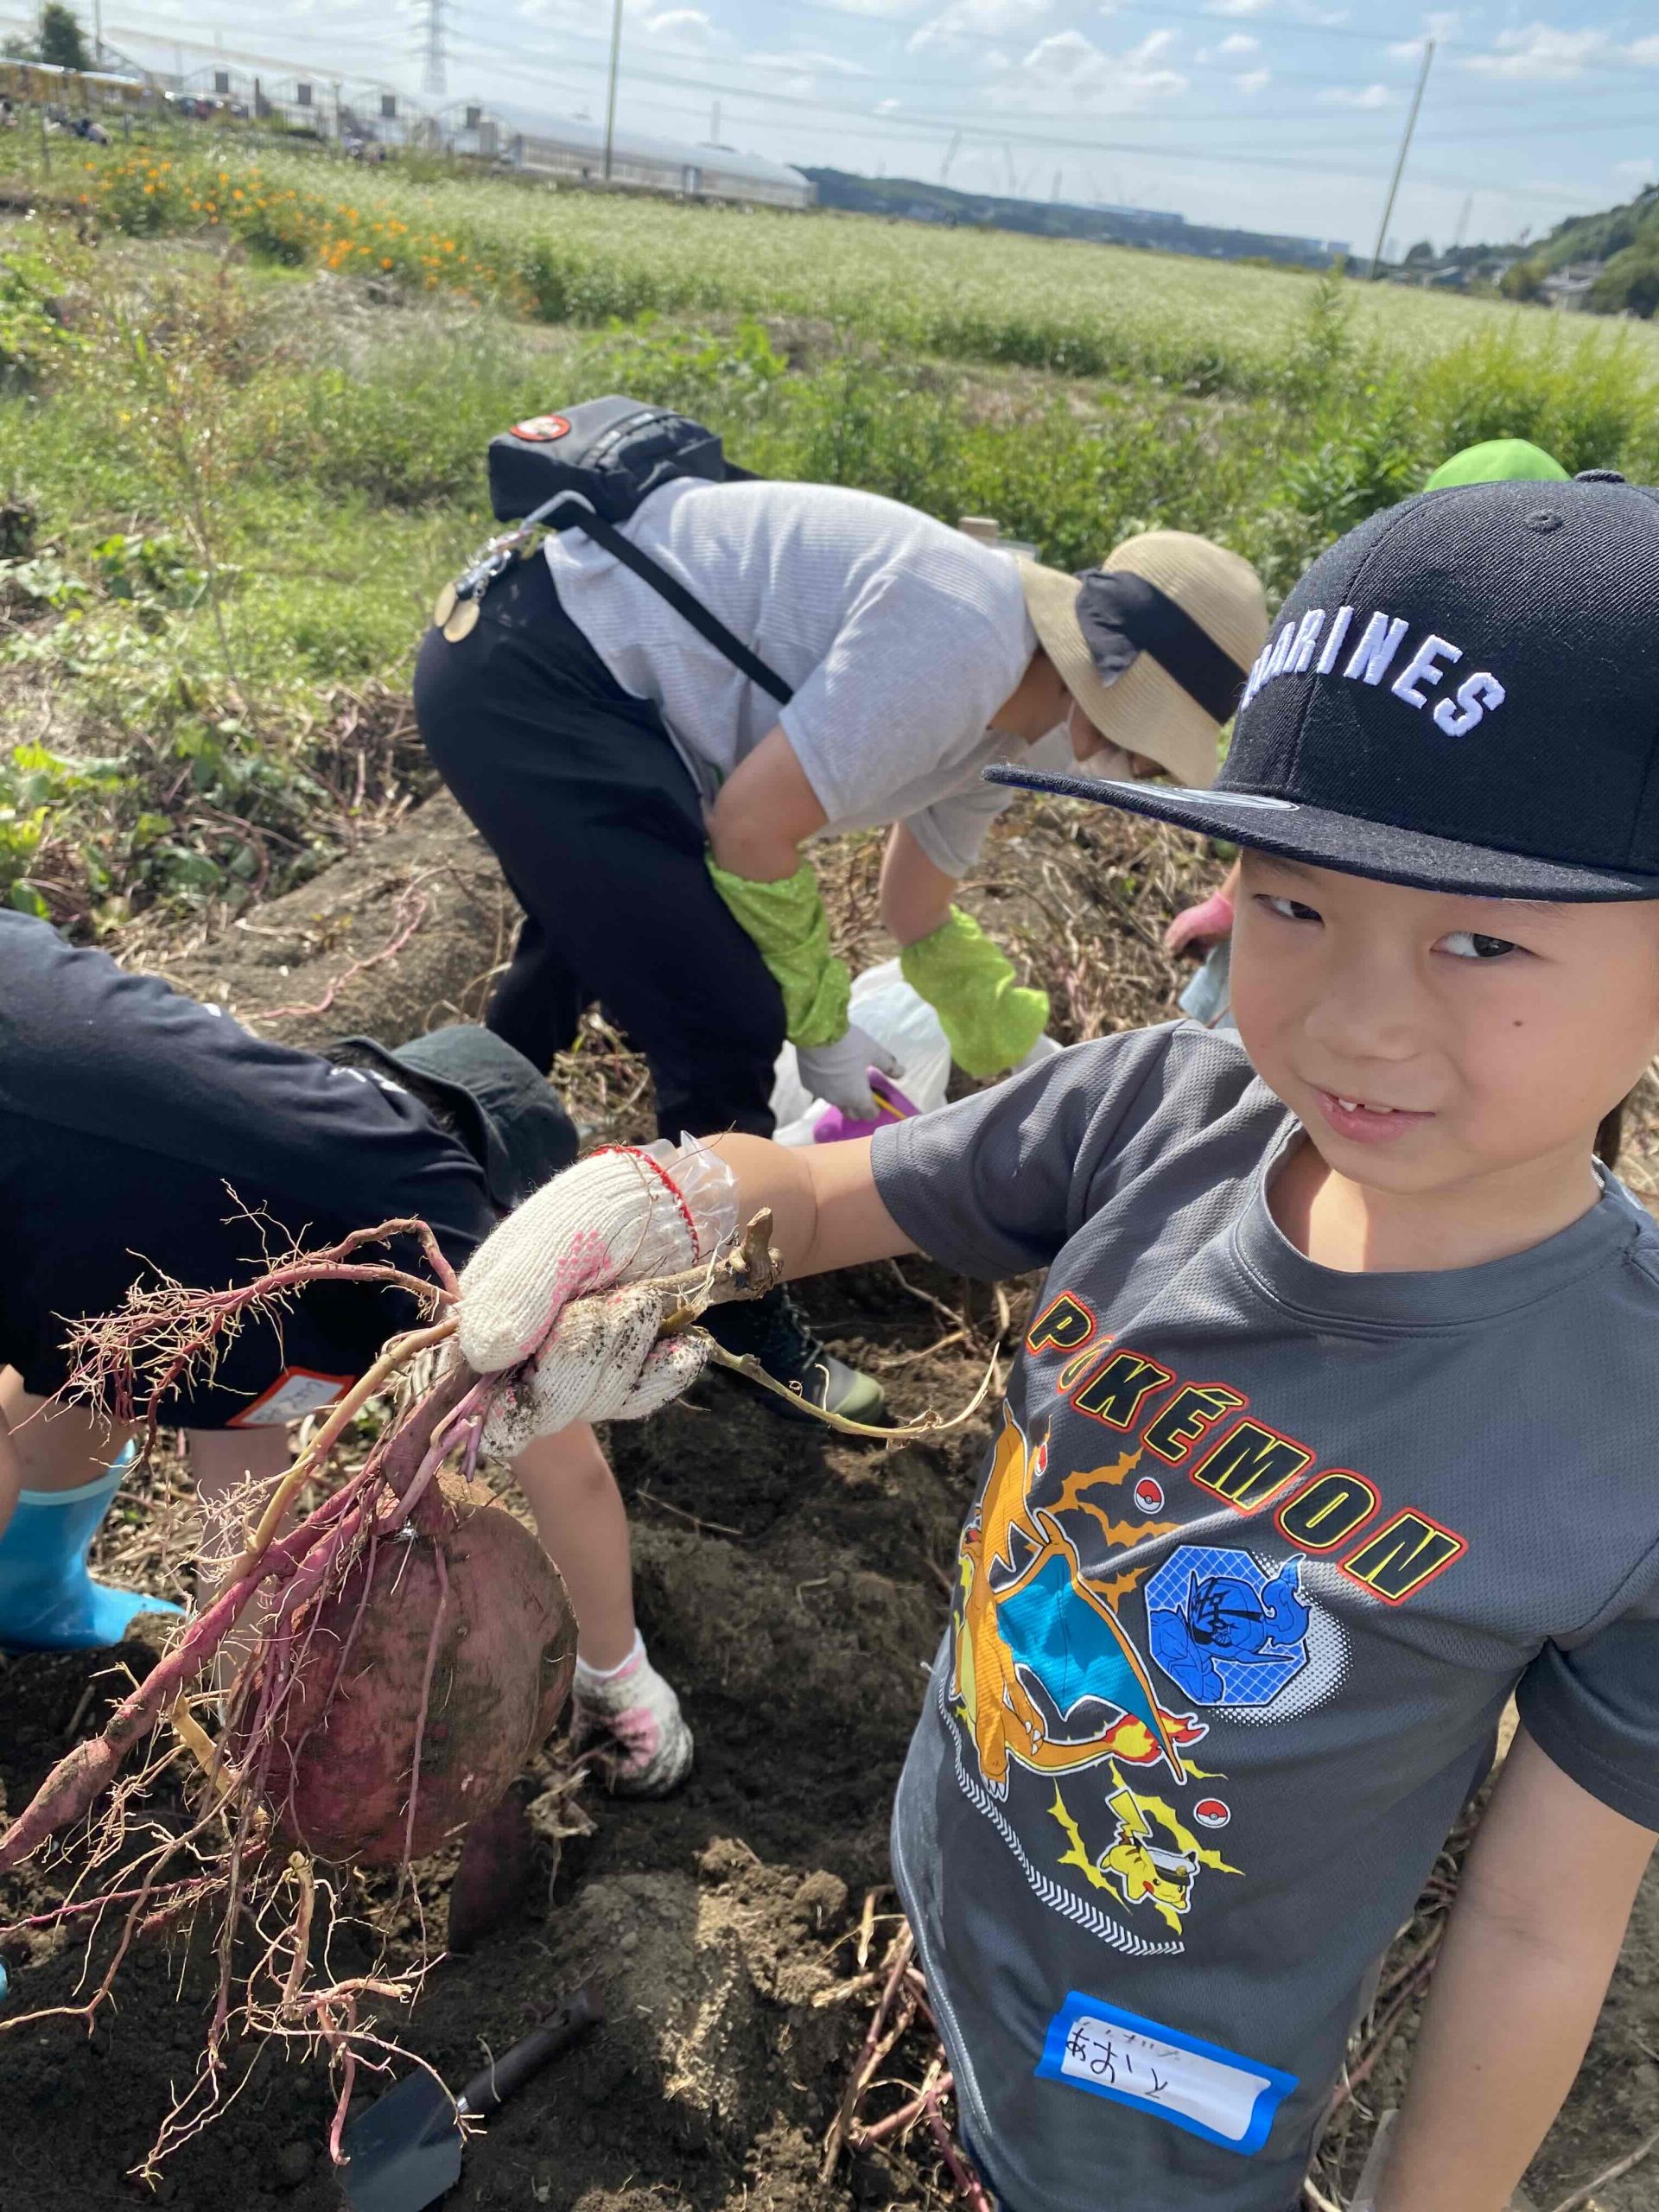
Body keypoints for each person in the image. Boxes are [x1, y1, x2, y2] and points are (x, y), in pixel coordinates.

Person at [448, 470, 1659, 2210]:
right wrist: (667, 1213)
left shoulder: (1627, 1422)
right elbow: (817, 1189)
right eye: (1292, 897)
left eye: (1482, 936)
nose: (1357, 1012)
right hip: (951, 1876)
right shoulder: (1153, 1112)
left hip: (1161, 2106)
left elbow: (1546, 1920)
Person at [415, 475, 1267, 1417]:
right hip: (539, 667)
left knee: (586, 941)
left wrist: (1023, 1052)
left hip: (555, 673)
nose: (1148, 762)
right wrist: (818, 1028)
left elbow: (917, 909)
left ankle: (439, 1183)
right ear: (1111, 673)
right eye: (1158, 734)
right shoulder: (964, 643)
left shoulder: (1024, 719)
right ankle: (728, 1324)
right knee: (728, 1017)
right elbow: (748, 829)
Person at [0, 913, 690, 1794]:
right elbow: (576, 1477)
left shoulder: (265, 1182)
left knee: (97, 1352)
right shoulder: (445, 1224)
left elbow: (238, 1506)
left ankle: (25, 1589)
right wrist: (616, 1676)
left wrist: (253, 1745)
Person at [1164, 434, 1573, 1032]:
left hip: (1444, 997)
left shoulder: (1563, 688)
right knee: (1228, 1054)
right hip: (1336, 941)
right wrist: (1233, 902)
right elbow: (1299, 807)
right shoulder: (1384, 648)